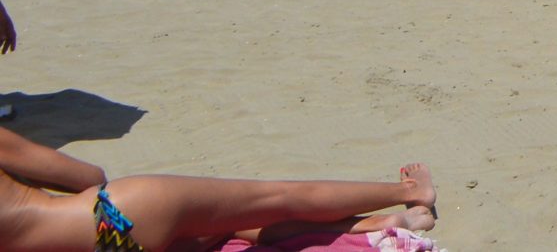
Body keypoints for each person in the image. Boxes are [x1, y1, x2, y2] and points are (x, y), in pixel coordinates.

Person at [0, 129, 436, 250]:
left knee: (225, 231)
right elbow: (86, 176)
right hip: (107, 222)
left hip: (98, 248)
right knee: (274, 200)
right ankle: (408, 192)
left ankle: (385, 222)